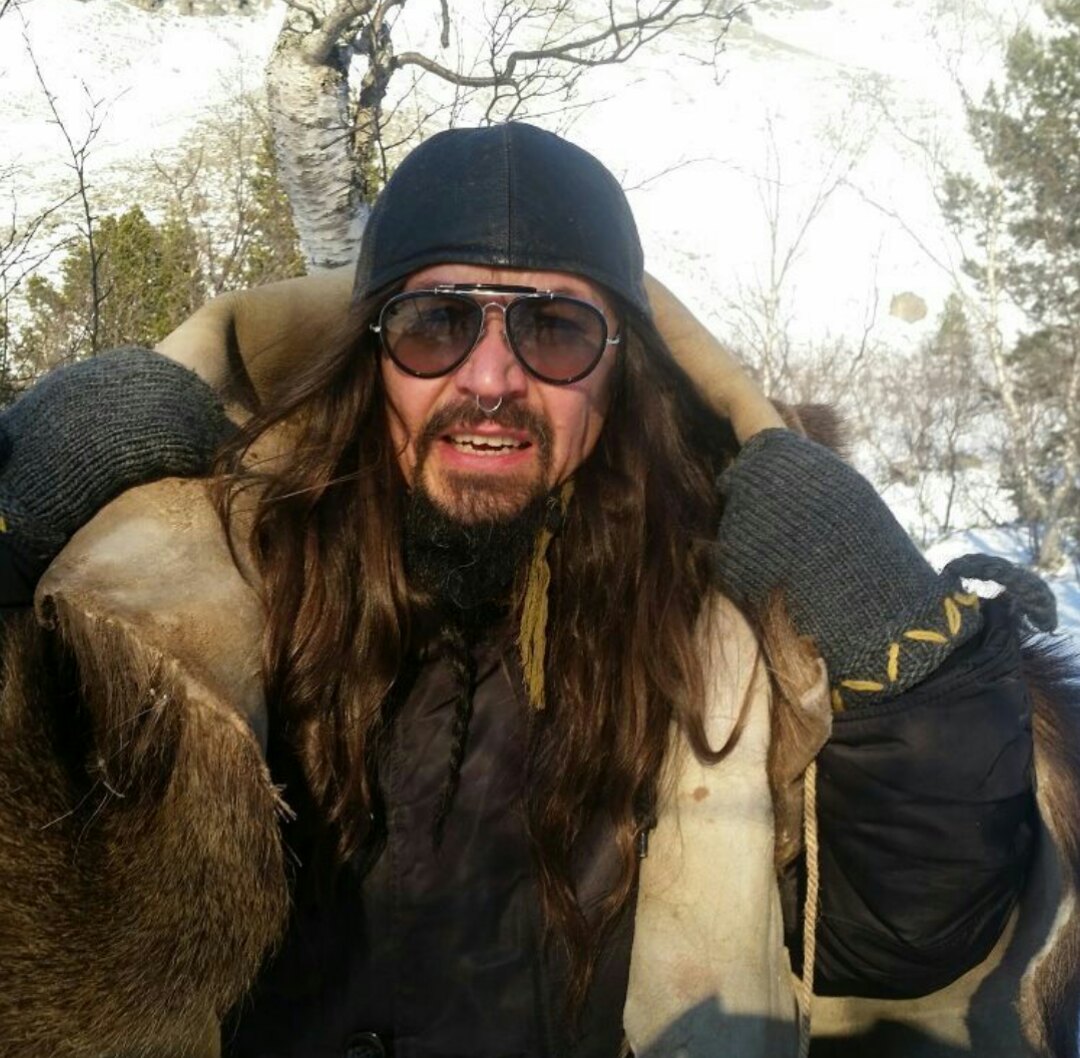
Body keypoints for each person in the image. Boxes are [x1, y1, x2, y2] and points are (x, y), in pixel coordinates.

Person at [0, 122, 1075, 1058]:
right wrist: (20, 552)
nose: (491, 378)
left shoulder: (722, 628)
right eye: (437, 322)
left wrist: (912, 676)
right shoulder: (220, 579)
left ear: (623, 367)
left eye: (555, 328)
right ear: (371, 352)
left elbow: (911, 948)